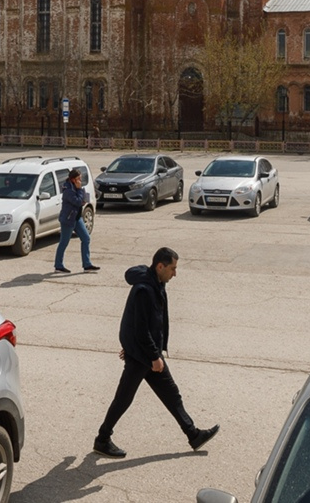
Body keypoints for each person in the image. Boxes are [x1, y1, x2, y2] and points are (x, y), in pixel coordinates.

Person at [93, 247, 218, 458]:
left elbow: (144, 325)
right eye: (172, 268)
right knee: (123, 399)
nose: (175, 274)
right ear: (160, 266)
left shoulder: (157, 284)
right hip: (144, 357)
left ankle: (193, 434)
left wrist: (143, 349)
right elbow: (139, 327)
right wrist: (152, 356)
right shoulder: (144, 290)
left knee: (171, 394)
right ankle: (102, 439)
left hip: (147, 352)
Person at [54, 169, 98, 274]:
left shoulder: (76, 187)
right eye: (78, 178)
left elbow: (82, 199)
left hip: (77, 218)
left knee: (86, 238)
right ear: (73, 179)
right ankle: (58, 265)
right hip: (68, 219)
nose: (80, 180)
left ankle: (87, 264)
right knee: (64, 242)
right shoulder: (67, 189)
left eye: (80, 178)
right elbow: (78, 201)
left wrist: (80, 193)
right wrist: (79, 190)